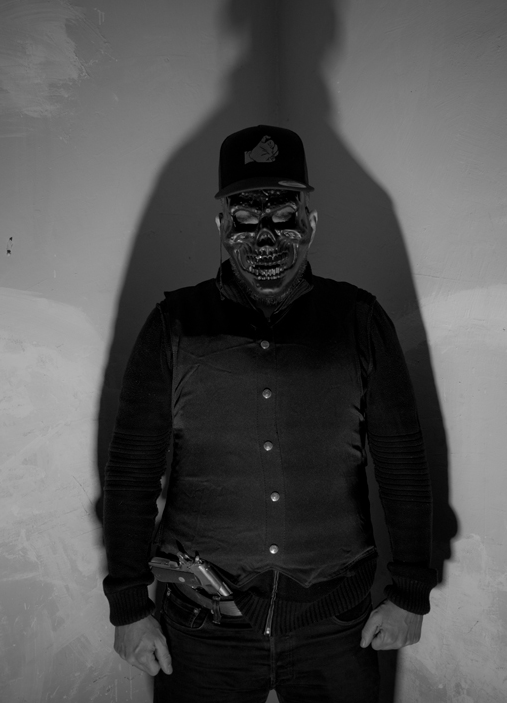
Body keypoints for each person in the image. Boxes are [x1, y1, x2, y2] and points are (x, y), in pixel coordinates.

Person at [102, 125, 437, 703]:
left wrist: (410, 594)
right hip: (202, 627)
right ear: (221, 226)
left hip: (336, 624)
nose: (265, 235)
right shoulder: (173, 326)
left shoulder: (359, 320)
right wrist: (129, 606)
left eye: (283, 215)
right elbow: (131, 475)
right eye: (246, 217)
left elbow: (403, 464)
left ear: (311, 223)